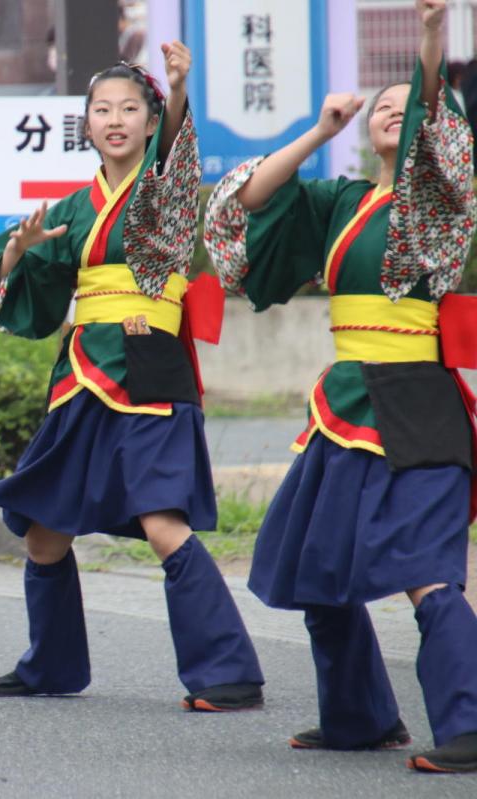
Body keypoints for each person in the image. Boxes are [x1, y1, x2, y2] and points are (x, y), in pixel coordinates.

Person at [204, 0, 477, 774]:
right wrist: (321, 131)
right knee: (315, 566)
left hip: (418, 401)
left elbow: (442, 134)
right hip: (346, 404)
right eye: (382, 107)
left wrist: (430, 41)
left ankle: (468, 722)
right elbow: (244, 201)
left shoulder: (439, 204)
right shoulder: (342, 201)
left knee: (428, 571)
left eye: (411, 106)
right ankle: (359, 718)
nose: (395, 112)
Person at [0, 45, 266, 708]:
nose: (116, 119)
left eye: (131, 108)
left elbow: (181, 153)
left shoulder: (166, 189)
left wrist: (180, 87)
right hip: (83, 375)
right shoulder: (67, 208)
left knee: (161, 520)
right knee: (43, 528)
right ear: (87, 125)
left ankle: (227, 672)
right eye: (102, 110)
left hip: (150, 366)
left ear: (153, 122)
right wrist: (16, 252)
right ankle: (53, 666)